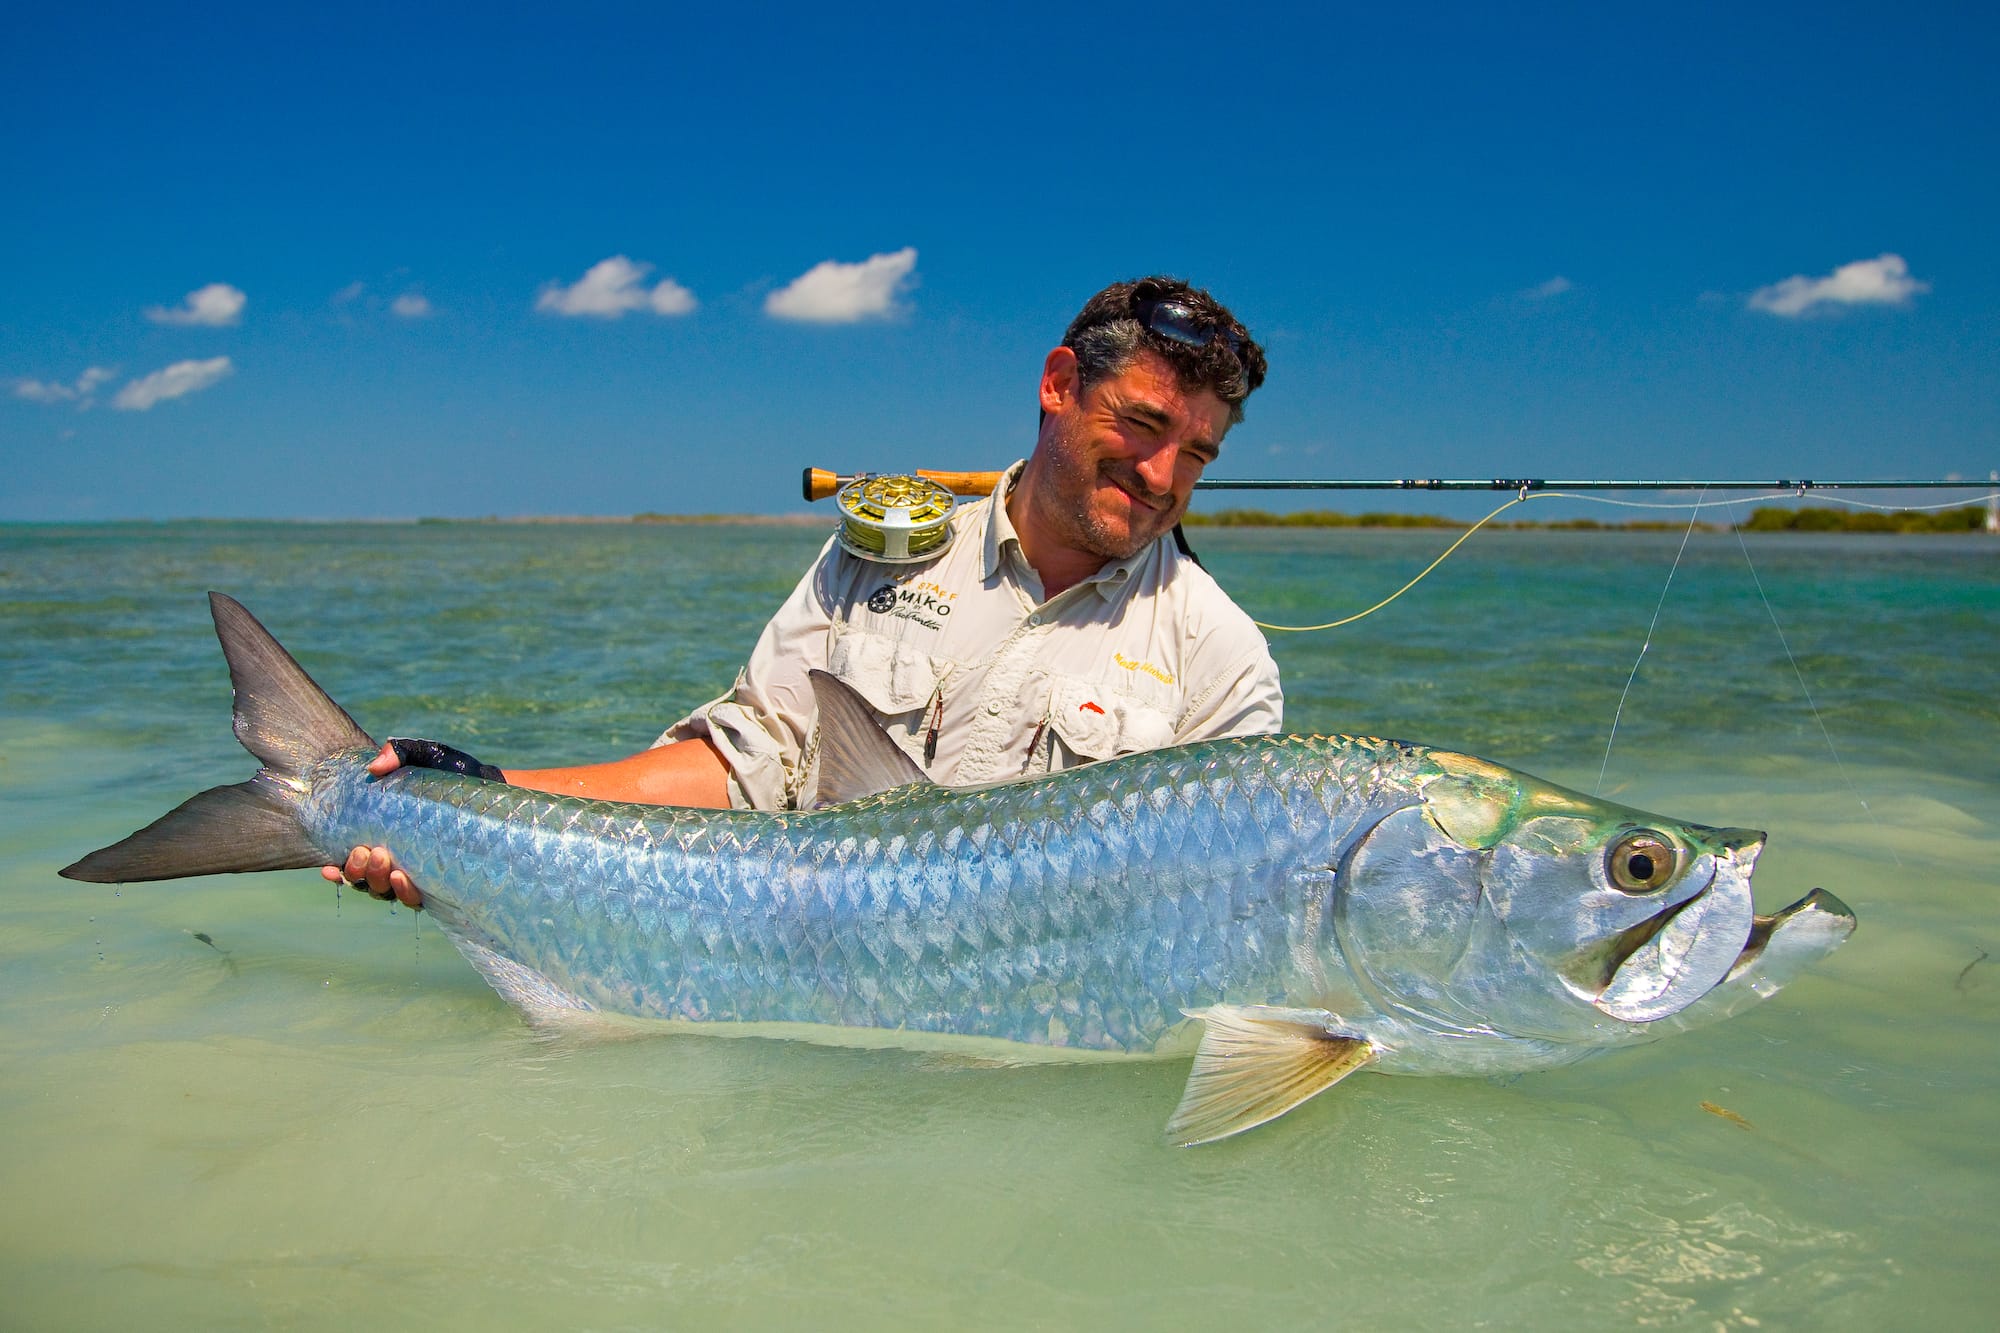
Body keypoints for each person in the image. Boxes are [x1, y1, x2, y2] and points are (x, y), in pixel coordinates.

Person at [329, 276, 1280, 908]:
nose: (1163, 474)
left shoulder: (1222, 658)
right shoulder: (882, 557)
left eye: (1197, 451)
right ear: (1059, 384)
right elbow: (749, 768)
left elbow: (1211, 920)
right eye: (1143, 423)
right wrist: (481, 795)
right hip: (792, 980)